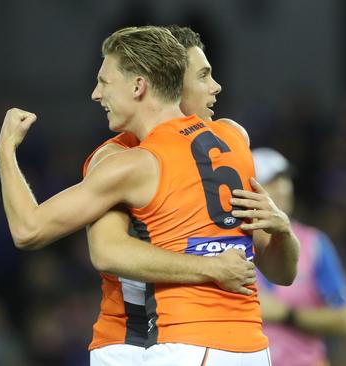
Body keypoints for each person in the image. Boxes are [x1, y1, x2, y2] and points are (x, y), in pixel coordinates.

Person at [0, 26, 299, 366]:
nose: (96, 94)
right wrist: (220, 262)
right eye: (203, 76)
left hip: (177, 342)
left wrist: (5, 150)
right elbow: (277, 270)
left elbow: (29, 230)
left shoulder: (129, 163)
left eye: (105, 82)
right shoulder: (234, 138)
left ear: (139, 85)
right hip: (246, 344)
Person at [83, 26, 262, 366]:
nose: (215, 87)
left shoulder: (222, 144)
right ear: (171, 85)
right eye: (203, 75)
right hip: (127, 341)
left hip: (187, 338)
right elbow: (104, 250)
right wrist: (211, 268)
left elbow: (275, 266)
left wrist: (279, 227)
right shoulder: (117, 158)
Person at [252, 147, 346, 366]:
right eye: (271, 182)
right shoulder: (229, 244)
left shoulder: (314, 244)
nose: (283, 189)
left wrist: (287, 314)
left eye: (285, 180)